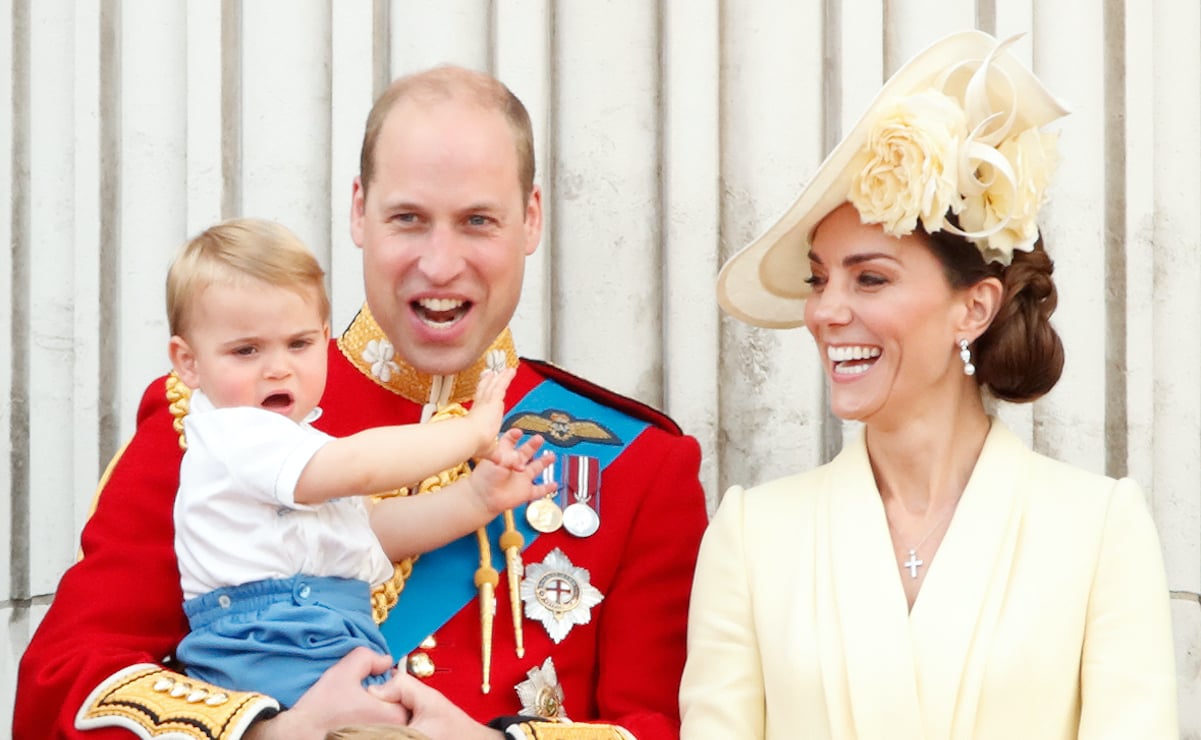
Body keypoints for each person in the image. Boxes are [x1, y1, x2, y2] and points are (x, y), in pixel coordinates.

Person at [15, 66, 710, 739]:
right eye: (408, 218)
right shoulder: (211, 417)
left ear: (529, 221)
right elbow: (64, 685)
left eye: (476, 221)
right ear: (358, 211)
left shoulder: (637, 464)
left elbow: (663, 728)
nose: (439, 264)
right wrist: (265, 734)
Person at [680, 30, 1177, 739]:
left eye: (870, 278)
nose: (824, 312)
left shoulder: (1098, 529)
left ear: (971, 308)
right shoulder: (752, 535)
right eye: (819, 279)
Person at [164, 218, 554, 709]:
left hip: (319, 636)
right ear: (189, 363)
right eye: (246, 350)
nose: (278, 367)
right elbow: (358, 466)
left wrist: (476, 499)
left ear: (324, 337)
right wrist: (470, 434)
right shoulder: (237, 433)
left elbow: (375, 531)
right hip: (273, 642)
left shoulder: (294, 444)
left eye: (299, 344)